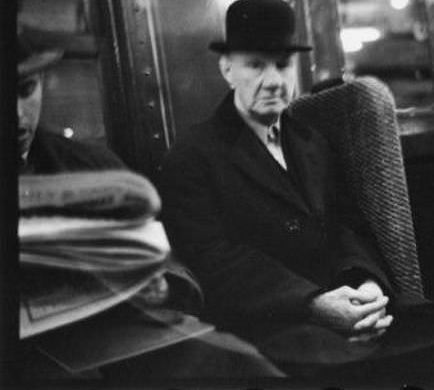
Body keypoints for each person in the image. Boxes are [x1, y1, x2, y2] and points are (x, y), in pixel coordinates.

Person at [157, 0, 434, 374]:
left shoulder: (311, 142)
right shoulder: (192, 155)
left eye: (283, 64)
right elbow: (214, 263)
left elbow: (346, 226)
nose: (273, 81)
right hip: (271, 321)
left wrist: (365, 285)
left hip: (343, 300)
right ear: (227, 70)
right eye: (256, 65)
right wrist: (312, 304)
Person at [15, 30, 283, 380]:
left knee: (242, 366)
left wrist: (161, 284)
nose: (17, 115)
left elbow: (166, 257)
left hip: (113, 334)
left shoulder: (88, 164)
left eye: (25, 90)